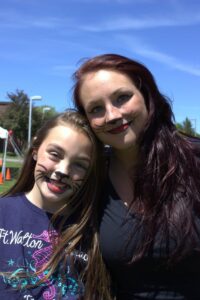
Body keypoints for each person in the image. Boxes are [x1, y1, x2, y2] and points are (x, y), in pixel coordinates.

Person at [72, 53, 200, 300]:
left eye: (122, 98)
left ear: (146, 95)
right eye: (96, 109)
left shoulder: (195, 160)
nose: (112, 115)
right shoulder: (90, 179)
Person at [0, 110, 112, 300]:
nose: (63, 171)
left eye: (79, 164)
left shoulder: (94, 229)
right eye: (54, 154)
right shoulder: (3, 212)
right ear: (35, 150)